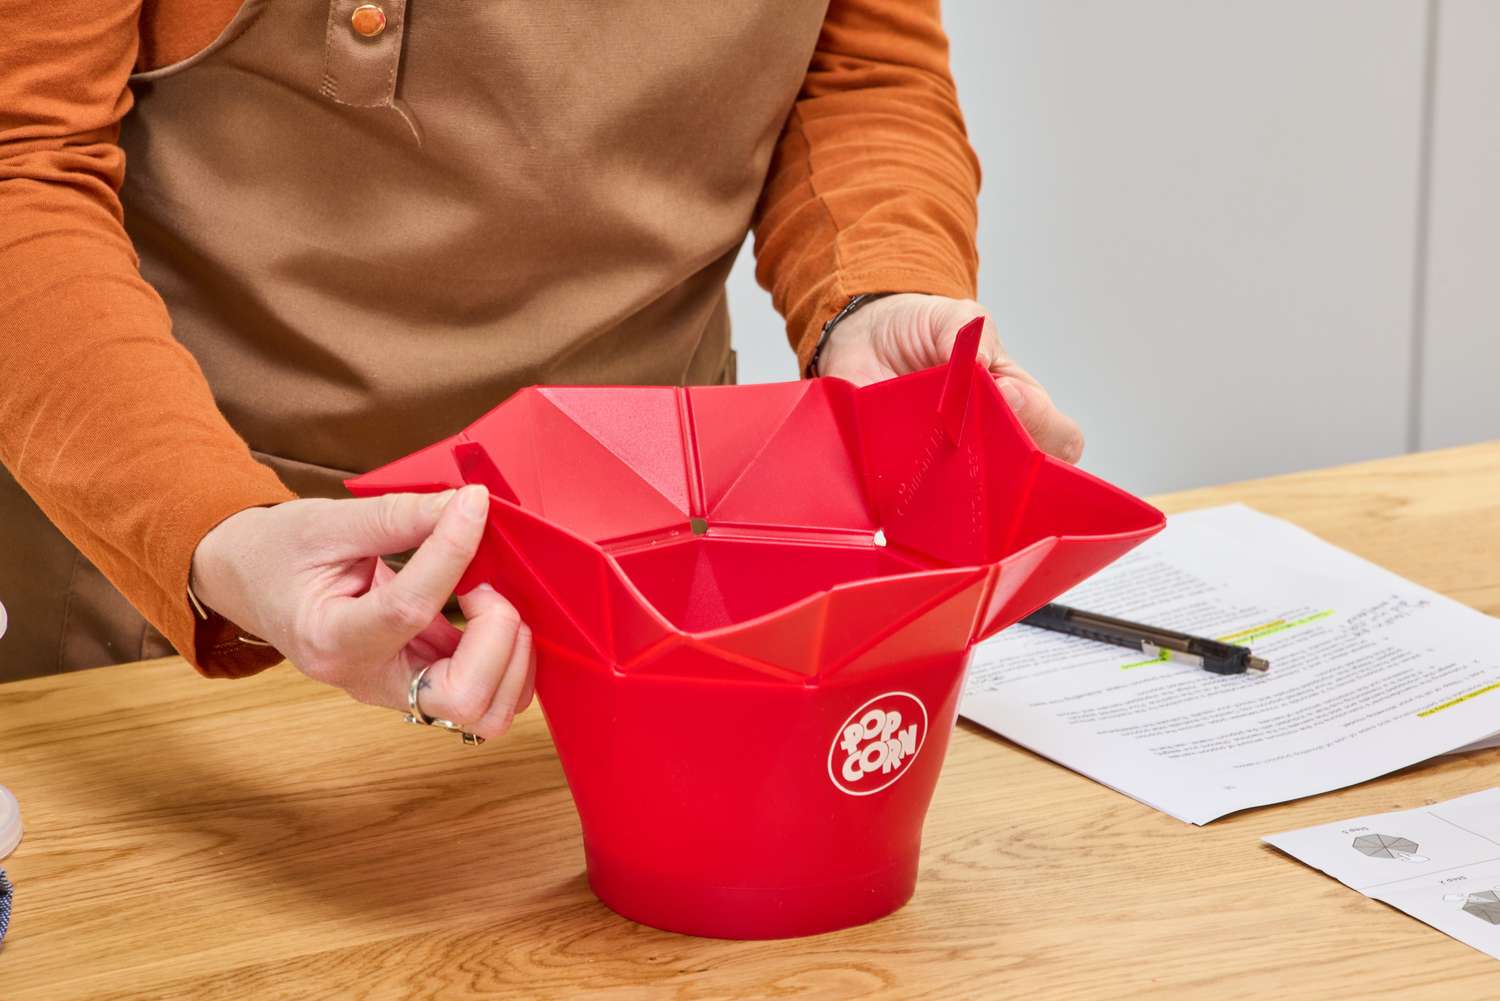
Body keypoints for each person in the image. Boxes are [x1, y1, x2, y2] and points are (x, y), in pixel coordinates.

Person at [0, 0, 1083, 739]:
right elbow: (19, 167)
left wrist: (872, 291)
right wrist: (214, 529)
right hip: (196, 582)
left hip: (661, 585)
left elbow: (857, 66)